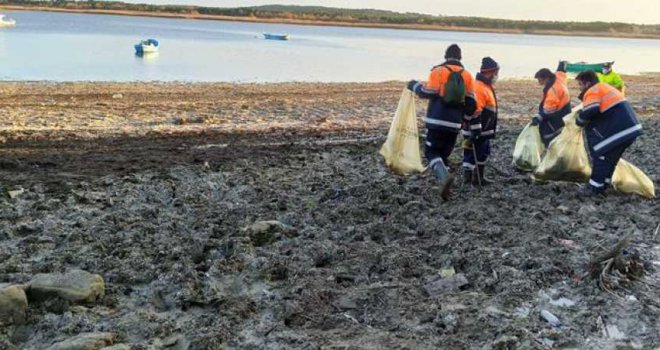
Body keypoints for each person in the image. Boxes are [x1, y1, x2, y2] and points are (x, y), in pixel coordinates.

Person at [407, 44, 477, 200]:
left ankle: (444, 178)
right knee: (444, 154)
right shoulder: (467, 76)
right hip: (454, 125)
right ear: (460, 58)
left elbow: (427, 92)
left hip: (436, 121)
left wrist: (414, 85)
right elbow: (472, 104)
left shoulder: (438, 71)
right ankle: (445, 185)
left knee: (431, 152)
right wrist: (464, 121)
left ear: (446, 56)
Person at [574, 70, 642, 197]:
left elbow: (591, 109)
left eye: (580, 84)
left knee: (601, 155)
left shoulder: (593, 90)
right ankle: (604, 184)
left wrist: (579, 120)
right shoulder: (604, 87)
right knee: (610, 159)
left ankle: (594, 188)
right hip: (630, 129)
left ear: (587, 83)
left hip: (619, 130)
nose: (580, 88)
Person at [462, 57, 499, 185]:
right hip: (477, 130)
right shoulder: (479, 87)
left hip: (484, 130)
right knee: (471, 154)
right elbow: (475, 111)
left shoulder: (484, 86)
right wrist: (475, 131)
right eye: (496, 73)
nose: (496, 76)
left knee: (483, 153)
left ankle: (479, 178)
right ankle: (468, 180)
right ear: (490, 72)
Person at [531, 62, 571, 146]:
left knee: (545, 130)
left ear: (546, 79)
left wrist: (538, 118)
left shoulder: (553, 90)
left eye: (539, 80)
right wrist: (561, 65)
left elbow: (548, 110)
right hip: (567, 107)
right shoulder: (558, 77)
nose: (539, 82)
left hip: (561, 112)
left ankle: (549, 143)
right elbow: (561, 72)